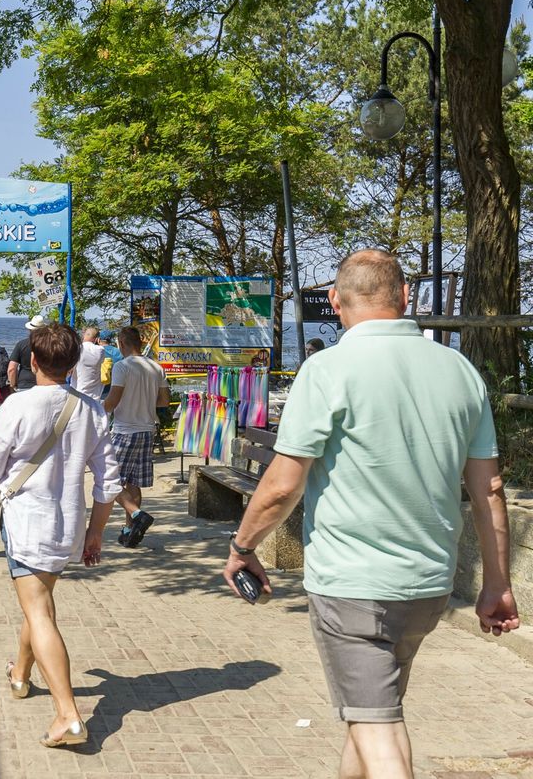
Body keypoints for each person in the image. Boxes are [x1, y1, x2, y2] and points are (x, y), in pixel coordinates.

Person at [222, 249, 520, 779]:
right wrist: (495, 583)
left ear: (335, 301)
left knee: (380, 732)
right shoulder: (460, 371)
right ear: (406, 298)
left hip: (353, 588)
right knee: (368, 719)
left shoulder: (328, 369)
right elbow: (489, 489)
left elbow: (280, 486)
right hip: (427, 586)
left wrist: (242, 548)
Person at [0, 323, 122, 750]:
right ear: (75, 364)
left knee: (39, 612)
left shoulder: (18, 406)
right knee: (38, 603)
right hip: (68, 525)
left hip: (27, 524)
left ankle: (68, 715)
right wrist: (96, 533)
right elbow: (109, 482)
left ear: (33, 360)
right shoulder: (92, 409)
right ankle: (20, 674)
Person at [103, 326, 168, 547]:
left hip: (125, 430)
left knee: (108, 480)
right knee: (133, 482)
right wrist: (144, 402)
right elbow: (164, 401)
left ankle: (137, 515)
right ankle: (131, 531)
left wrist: (96, 411)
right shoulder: (155, 367)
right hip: (147, 429)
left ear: (122, 343)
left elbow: (112, 401)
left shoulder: (122, 367)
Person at [8, 315, 47, 392]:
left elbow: (11, 369)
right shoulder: (49, 345)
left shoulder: (21, 344)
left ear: (29, 329)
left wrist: (12, 385)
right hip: (43, 384)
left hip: (24, 384)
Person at [73, 327, 105, 401]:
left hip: (77, 392)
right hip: (95, 396)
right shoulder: (100, 350)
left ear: (84, 335)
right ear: (97, 339)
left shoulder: (77, 349)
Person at [97, 329, 123, 399]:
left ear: (99, 340)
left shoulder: (96, 351)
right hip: (113, 388)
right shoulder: (117, 352)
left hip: (97, 389)